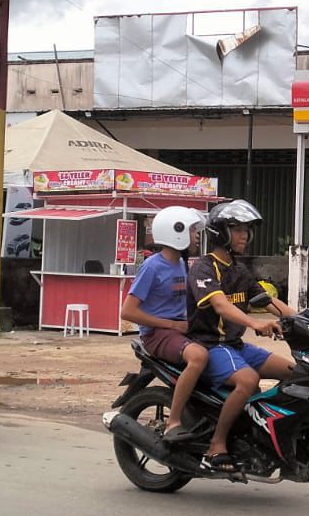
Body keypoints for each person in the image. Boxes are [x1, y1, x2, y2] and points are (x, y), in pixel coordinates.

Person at [186, 199, 299, 475]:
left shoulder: (238, 270)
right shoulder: (204, 268)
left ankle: (263, 431)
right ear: (220, 233)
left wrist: (303, 319)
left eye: (247, 229)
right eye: (237, 229)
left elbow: (267, 299)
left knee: (297, 372)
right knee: (248, 380)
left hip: (235, 346)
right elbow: (221, 305)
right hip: (211, 345)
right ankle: (217, 444)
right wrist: (255, 324)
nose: (244, 235)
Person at [121, 207, 210, 443]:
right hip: (157, 335)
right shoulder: (152, 267)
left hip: (178, 329)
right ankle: (174, 422)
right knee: (198, 357)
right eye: (192, 230)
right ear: (176, 231)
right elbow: (127, 311)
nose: (196, 235)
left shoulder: (182, 264)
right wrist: (170, 324)